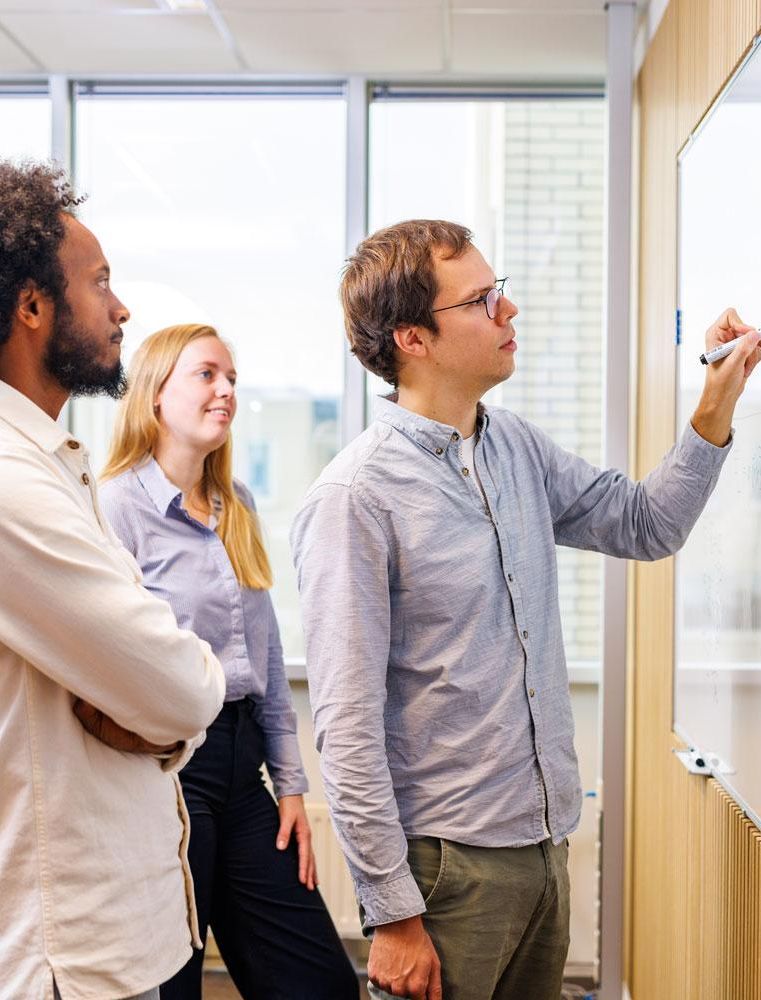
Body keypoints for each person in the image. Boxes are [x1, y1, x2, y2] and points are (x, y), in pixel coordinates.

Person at [290, 219, 761, 1000]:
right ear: (413, 337)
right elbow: (345, 728)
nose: (508, 313)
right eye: (481, 300)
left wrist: (714, 401)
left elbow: (646, 525)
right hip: (443, 874)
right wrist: (392, 915)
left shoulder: (512, 447)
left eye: (497, 290)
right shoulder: (355, 498)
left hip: (541, 851)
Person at [0, 160, 226, 1000]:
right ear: (31, 306)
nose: (121, 308)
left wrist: (163, 718)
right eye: (99, 284)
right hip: (64, 962)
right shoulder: (11, 481)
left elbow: (160, 694)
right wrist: (173, 707)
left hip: (105, 946)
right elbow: (180, 683)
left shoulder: (53, 462)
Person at [98, 323, 358, 1000]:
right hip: (164, 771)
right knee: (172, 983)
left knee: (318, 982)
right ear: (155, 394)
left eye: (233, 379)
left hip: (245, 778)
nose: (226, 392)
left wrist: (291, 787)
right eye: (208, 375)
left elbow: (264, 663)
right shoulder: (115, 509)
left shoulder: (233, 505)